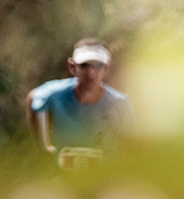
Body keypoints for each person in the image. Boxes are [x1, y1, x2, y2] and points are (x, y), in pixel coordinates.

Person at [27, 38, 132, 167]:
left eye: (97, 66)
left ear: (107, 68)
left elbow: (131, 148)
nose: (91, 73)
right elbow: (33, 98)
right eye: (84, 65)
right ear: (72, 66)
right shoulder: (55, 94)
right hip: (64, 175)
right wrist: (43, 146)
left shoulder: (119, 104)